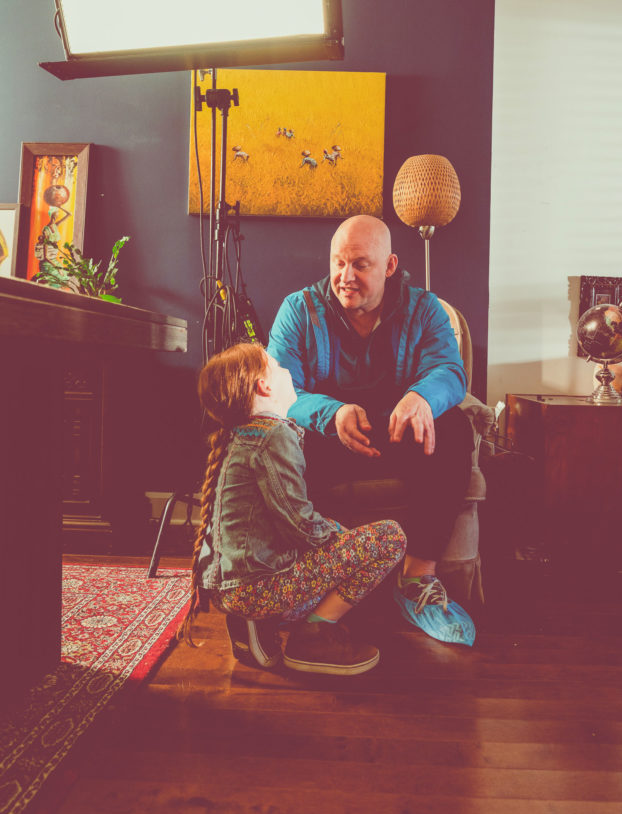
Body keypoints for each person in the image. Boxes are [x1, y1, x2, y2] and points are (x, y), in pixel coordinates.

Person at [267, 213, 476, 646]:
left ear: (390, 266)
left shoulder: (425, 309)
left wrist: (421, 396)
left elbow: (450, 371)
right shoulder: (298, 310)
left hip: (398, 438)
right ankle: (311, 579)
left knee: (454, 428)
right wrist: (331, 413)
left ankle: (416, 580)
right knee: (277, 440)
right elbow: (280, 390)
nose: (346, 277)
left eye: (360, 265)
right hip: (327, 440)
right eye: (338, 263)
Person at [177, 341, 406, 676]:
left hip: (233, 587)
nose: (287, 370)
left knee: (338, 551)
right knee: (390, 538)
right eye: (277, 365)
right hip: (255, 589)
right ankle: (311, 638)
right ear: (264, 386)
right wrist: (342, 535)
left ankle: (257, 622)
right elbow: (300, 525)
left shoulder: (240, 436)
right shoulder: (273, 436)